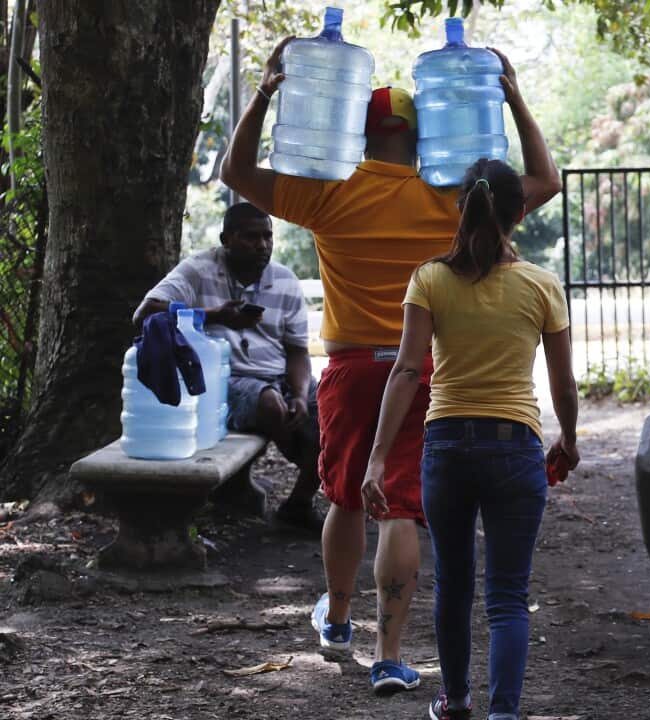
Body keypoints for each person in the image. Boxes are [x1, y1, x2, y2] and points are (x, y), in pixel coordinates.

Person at [220, 36, 560, 694]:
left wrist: (267, 90)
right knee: (399, 504)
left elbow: (236, 173)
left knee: (346, 497)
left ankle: (339, 619)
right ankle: (389, 654)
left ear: (361, 129)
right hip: (421, 370)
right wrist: (512, 96)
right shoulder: (454, 198)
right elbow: (545, 181)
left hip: (350, 372)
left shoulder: (330, 193)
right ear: (422, 132)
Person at [362, 158, 575, 720]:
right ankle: (503, 712)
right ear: (521, 213)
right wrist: (569, 440)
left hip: (447, 447)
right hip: (515, 446)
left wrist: (377, 460)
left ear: (461, 210)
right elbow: (561, 381)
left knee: (454, 584)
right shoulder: (541, 284)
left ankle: (455, 702)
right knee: (507, 595)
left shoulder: (429, 278)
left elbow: (408, 371)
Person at [133, 202, 321, 530]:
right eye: (251, 237)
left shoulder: (285, 281)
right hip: (225, 380)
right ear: (226, 238)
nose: (262, 245)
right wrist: (216, 315)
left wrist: (302, 396)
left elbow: (297, 352)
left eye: (267, 237)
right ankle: (295, 449)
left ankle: (298, 506)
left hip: (279, 375)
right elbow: (145, 315)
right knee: (271, 406)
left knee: (337, 414)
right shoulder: (198, 270)